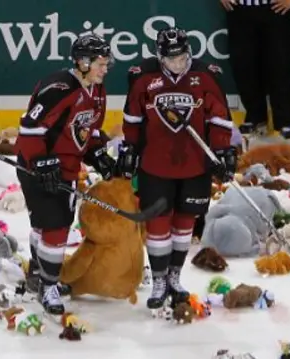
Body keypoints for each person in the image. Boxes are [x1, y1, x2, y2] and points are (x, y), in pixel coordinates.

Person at [117, 27, 235, 310]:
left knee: (185, 222)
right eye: (172, 59)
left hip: (195, 165)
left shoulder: (206, 75)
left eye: (182, 58)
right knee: (158, 224)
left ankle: (174, 277)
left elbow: (220, 118)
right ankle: (158, 280)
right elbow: (132, 119)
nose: (178, 64)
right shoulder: (142, 76)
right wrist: (131, 149)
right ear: (160, 57)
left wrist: (222, 152)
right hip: (155, 165)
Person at [14, 33, 115, 315]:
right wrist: (41, 163)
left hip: (67, 168)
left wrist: (97, 153)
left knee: (45, 224)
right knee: (56, 226)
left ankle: (38, 272)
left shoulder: (97, 90)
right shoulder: (58, 87)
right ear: (83, 62)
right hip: (35, 166)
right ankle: (49, 285)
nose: (105, 69)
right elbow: (30, 127)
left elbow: (89, 130)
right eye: (100, 63)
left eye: (107, 63)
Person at [221, 0, 290, 142]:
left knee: (279, 65)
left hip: (276, 9)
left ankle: (285, 123)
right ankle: (255, 118)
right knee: (244, 66)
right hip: (239, 9)